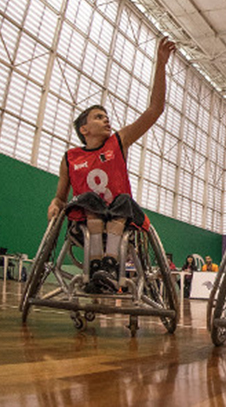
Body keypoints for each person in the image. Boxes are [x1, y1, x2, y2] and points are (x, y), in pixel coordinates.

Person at [47, 37, 176, 294]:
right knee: (87, 198)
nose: (107, 120)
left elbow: (155, 109)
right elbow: (60, 197)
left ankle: (107, 263)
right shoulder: (70, 157)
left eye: (107, 116)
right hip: (84, 223)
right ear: (84, 129)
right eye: (99, 117)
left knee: (124, 200)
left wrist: (160, 65)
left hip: (120, 219)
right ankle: (97, 265)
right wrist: (54, 204)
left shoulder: (118, 141)